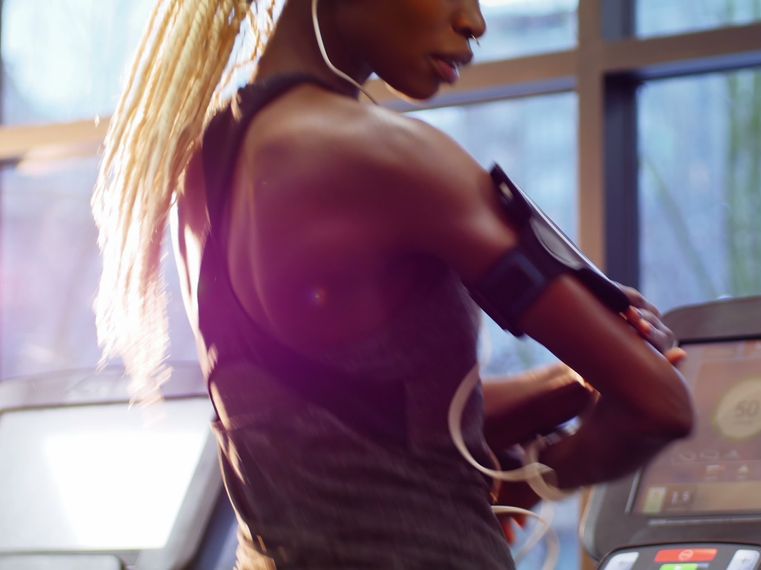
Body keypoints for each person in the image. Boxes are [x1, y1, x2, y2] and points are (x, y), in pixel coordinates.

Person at [92, 0, 694, 567]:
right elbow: (660, 404)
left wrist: (572, 386)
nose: (475, 20)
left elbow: (359, 420)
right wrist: (545, 470)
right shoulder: (394, 159)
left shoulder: (204, 164)